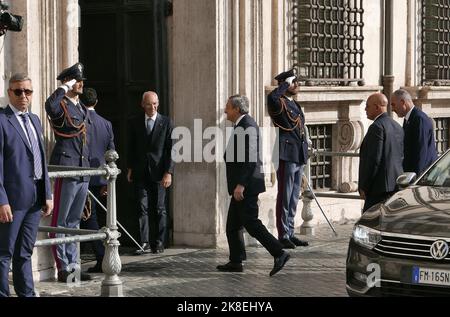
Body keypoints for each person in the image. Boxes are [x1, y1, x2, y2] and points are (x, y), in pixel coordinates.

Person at [218, 95, 290, 276]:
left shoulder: (247, 126)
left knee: (251, 223)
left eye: (227, 107)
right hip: (242, 185)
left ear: (236, 109)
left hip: (246, 186)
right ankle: (236, 261)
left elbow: (250, 160)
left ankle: (279, 252)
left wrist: (241, 185)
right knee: (233, 226)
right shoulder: (242, 124)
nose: (225, 110)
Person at [0, 74, 53, 297]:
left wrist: (47, 193)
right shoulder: (2, 120)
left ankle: (27, 295)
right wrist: (1, 200)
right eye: (18, 91)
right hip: (12, 200)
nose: (23, 96)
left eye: (28, 91)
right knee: (4, 254)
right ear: (9, 93)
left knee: (25, 252)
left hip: (35, 199)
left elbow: (41, 157)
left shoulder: (35, 120)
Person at [45, 63, 92, 282]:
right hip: (66, 167)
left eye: (81, 80)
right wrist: (64, 88)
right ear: (69, 81)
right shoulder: (62, 103)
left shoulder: (81, 107)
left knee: (74, 222)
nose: (80, 83)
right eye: (76, 80)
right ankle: (63, 266)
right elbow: (49, 106)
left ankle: (74, 265)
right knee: (61, 222)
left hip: (82, 170)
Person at [127, 91, 174, 255]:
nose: (152, 107)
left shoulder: (166, 122)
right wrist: (130, 168)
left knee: (160, 208)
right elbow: (131, 147)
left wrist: (169, 172)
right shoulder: (135, 122)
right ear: (142, 105)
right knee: (142, 208)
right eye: (149, 104)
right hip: (140, 172)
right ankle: (144, 243)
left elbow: (171, 150)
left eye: (155, 103)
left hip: (160, 173)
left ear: (158, 103)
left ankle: (160, 242)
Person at [267, 69, 309, 249]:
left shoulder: (295, 105)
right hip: (286, 154)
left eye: (296, 82)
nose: (297, 85)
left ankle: (290, 231)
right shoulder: (279, 102)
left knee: (293, 197)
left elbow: (300, 129)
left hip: (298, 154)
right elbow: (271, 98)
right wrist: (284, 84)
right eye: (294, 82)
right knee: (284, 195)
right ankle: (282, 234)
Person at [79, 88, 115, 273]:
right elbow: (111, 153)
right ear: (97, 101)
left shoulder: (79, 121)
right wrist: (105, 181)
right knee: (90, 217)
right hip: (100, 177)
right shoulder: (106, 124)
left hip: (82, 176)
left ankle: (101, 256)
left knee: (87, 217)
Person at [359, 93, 404, 212]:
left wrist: (364, 186)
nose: (365, 109)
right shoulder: (397, 126)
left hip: (378, 189)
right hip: (395, 186)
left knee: (369, 224)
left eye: (368, 106)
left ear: (377, 107)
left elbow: (373, 160)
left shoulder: (377, 127)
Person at [391, 89, 438, 176]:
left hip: (422, 175)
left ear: (402, 102)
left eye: (393, 105)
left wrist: (416, 178)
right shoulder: (408, 118)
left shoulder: (419, 119)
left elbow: (421, 151)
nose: (392, 109)